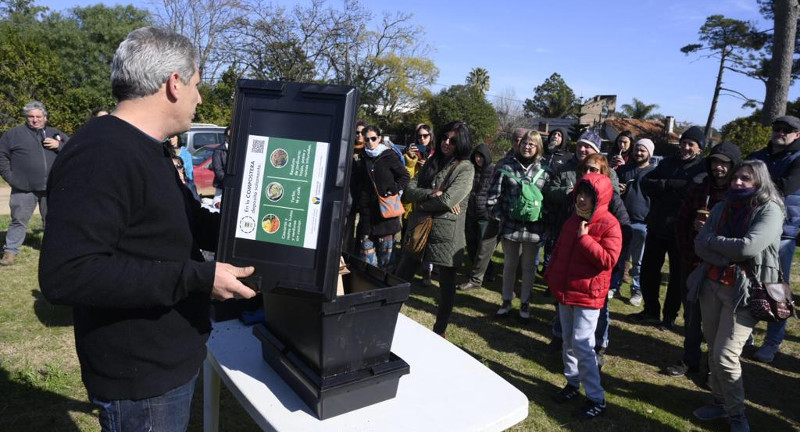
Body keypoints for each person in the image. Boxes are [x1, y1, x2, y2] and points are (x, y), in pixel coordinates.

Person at [38, 27, 256, 431]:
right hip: (140, 375)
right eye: (196, 85)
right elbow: (67, 274)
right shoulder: (101, 152)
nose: (200, 98)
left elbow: (184, 222)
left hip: (167, 355)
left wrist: (255, 231)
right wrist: (198, 277)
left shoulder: (148, 147)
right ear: (174, 84)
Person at [689, 160, 784, 432]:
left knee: (725, 356)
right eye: (736, 178)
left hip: (745, 292)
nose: (738, 182)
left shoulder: (770, 209)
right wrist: (717, 247)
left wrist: (712, 240)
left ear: (759, 182)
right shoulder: (721, 206)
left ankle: (737, 414)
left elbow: (747, 248)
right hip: (711, 285)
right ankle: (718, 403)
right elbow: (699, 244)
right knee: (713, 348)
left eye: (746, 178)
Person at [545, 172, 622, 420]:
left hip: (588, 295)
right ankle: (572, 382)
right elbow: (558, 251)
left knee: (582, 344)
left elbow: (609, 259)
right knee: (567, 339)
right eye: (580, 194)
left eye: (587, 196)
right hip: (566, 292)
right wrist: (551, 275)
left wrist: (586, 239)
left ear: (599, 199)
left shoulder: (609, 224)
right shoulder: (571, 221)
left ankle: (596, 397)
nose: (581, 199)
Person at [666, 141, 741, 377]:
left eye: (724, 163)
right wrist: (689, 250)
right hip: (693, 262)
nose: (718, 167)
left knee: (717, 321)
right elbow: (681, 221)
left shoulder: (739, 193)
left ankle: (712, 366)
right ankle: (690, 359)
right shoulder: (700, 188)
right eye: (715, 162)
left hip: (723, 268)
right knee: (691, 314)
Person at [396, 121, 474, 337]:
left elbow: (448, 200)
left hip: (447, 234)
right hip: (420, 228)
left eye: (453, 140)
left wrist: (424, 201)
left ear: (462, 142)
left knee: (446, 286)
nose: (446, 143)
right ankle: (388, 316)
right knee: (401, 277)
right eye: (444, 138)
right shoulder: (433, 160)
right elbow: (409, 189)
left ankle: (440, 331)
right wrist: (430, 194)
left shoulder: (466, 167)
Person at [629, 126, 706, 330]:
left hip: (682, 229)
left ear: (699, 148)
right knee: (649, 270)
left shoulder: (702, 167)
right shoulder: (668, 162)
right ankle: (651, 310)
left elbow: (693, 189)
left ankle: (669, 315)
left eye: (691, 144)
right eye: (683, 143)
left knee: (677, 275)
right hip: (657, 224)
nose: (685, 147)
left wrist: (664, 186)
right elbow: (646, 182)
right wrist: (673, 185)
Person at [746, 115, 800, 363]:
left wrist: (754, 182)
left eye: (786, 130)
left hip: (784, 232)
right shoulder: (758, 155)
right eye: (777, 128)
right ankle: (745, 331)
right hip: (751, 224)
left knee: (776, 286)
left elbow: (786, 185)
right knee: (745, 281)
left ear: (797, 134)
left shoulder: (798, 158)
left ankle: (773, 341)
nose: (780, 132)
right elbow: (743, 178)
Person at [487, 130, 550, 322]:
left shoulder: (546, 170)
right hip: (510, 225)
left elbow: (548, 198)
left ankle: (525, 303)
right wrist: (498, 215)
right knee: (509, 265)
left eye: (532, 144)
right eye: (524, 143)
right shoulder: (507, 165)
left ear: (538, 147)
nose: (527, 147)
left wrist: (545, 219)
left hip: (534, 227)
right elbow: (493, 195)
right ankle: (506, 301)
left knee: (529, 267)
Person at [0, 101, 68, 266]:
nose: (35, 120)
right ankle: (10, 252)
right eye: (31, 117)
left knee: (52, 220)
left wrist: (59, 145)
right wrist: (12, 178)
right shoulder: (13, 134)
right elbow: (2, 157)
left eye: (38, 116)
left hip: (51, 188)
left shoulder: (55, 133)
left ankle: (53, 251)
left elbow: (74, 149)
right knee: (18, 220)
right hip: (24, 188)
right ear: (26, 118)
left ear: (45, 117)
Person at [352, 125, 410, 268]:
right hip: (367, 216)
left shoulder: (389, 155)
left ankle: (385, 288)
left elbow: (404, 176)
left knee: (386, 261)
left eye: (373, 138)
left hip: (386, 214)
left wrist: (393, 190)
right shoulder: (363, 157)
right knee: (367, 259)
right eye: (367, 139)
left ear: (379, 139)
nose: (370, 142)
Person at [610, 138, 656, 304]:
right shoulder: (624, 169)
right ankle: (614, 287)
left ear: (649, 153)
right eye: (637, 149)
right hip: (621, 220)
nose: (638, 153)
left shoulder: (654, 172)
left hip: (642, 223)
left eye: (642, 150)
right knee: (618, 257)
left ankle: (637, 291)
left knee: (638, 261)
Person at [458, 141, 498, 291]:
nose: (478, 159)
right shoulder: (471, 170)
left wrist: (489, 211)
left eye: (481, 156)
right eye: (476, 156)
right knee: (471, 244)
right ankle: (481, 271)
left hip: (485, 215)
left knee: (483, 247)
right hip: (470, 212)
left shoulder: (493, 171)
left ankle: (485, 273)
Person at [342, 120, 367, 254]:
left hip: (364, 195)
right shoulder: (347, 149)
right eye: (356, 132)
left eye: (362, 132)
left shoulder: (370, 150)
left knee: (363, 231)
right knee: (348, 228)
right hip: (349, 196)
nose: (359, 135)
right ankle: (345, 256)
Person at [211, 126, 230, 207]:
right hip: (222, 184)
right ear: (225, 137)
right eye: (229, 136)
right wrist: (229, 181)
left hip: (234, 184)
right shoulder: (218, 151)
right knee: (217, 202)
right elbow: (218, 170)